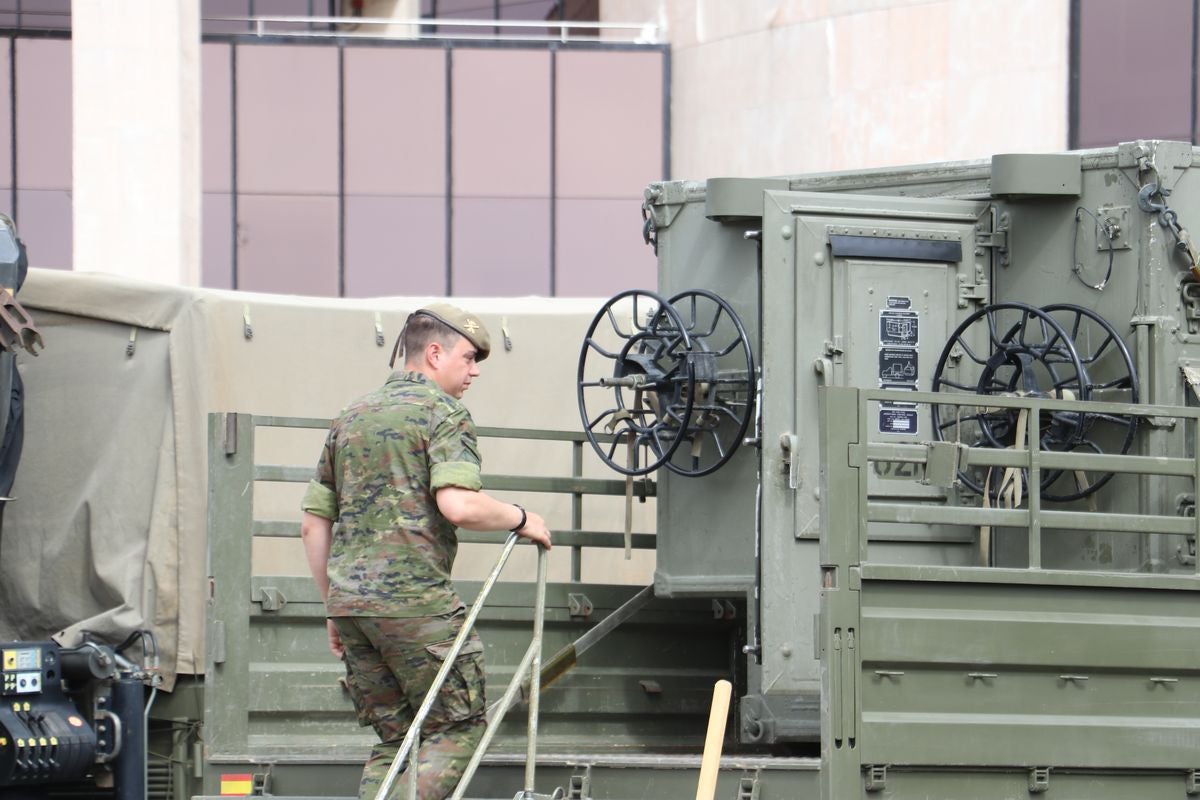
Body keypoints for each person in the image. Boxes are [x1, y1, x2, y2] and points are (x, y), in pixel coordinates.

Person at [300, 304, 552, 800]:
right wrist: (522, 519)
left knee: (397, 739)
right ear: (434, 353)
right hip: (415, 606)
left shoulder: (350, 418)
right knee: (455, 728)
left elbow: (312, 526)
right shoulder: (443, 414)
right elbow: (457, 505)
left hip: (352, 609)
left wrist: (333, 605)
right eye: (468, 358)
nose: (474, 371)